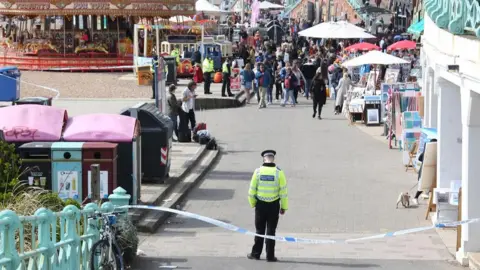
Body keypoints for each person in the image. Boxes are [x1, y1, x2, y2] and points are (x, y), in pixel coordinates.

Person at [247, 150, 288, 262]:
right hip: (274, 206)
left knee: (259, 230)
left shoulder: (258, 172)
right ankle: (270, 256)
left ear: (264, 159)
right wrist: (283, 207)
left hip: (260, 205)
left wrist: (253, 203)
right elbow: (283, 192)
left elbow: (251, 190)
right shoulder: (279, 173)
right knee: (271, 231)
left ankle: (256, 254)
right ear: (273, 159)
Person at [413, 139, 438, 205]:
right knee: (422, 186)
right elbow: (420, 158)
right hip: (424, 170)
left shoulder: (435, 151)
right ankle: (415, 198)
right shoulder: (427, 151)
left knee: (428, 186)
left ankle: (430, 200)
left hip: (431, 169)